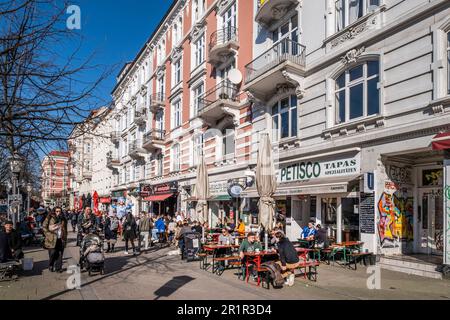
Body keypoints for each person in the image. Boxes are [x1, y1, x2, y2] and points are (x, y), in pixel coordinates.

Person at [43, 207, 68, 273]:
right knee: (52, 253)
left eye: (59, 211)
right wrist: (48, 234)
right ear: (54, 211)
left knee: (60, 254)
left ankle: (58, 268)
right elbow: (44, 227)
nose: (58, 213)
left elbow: (65, 228)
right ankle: (51, 265)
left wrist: (65, 237)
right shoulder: (49, 217)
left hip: (60, 238)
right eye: (57, 211)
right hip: (52, 238)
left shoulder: (63, 219)